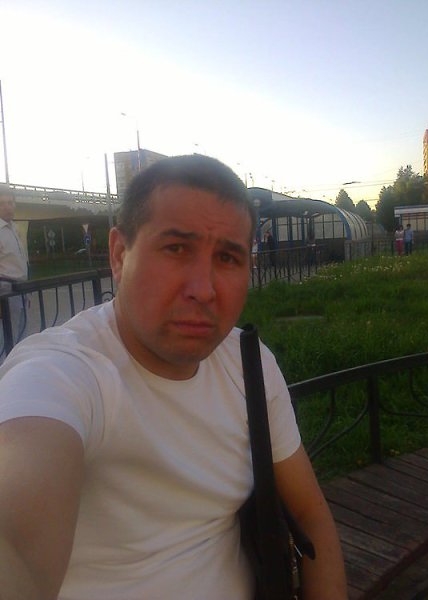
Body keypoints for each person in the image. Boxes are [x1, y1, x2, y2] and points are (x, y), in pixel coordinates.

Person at [0, 155, 347, 600]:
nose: (203, 289)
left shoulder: (248, 363)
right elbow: (16, 523)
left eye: (227, 257)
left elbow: (310, 513)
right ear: (119, 255)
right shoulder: (66, 370)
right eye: (177, 249)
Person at [0, 184, 28, 355]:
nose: (7, 207)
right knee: (5, 339)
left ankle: (18, 368)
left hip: (21, 290)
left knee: (21, 337)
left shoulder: (14, 229)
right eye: (2, 203)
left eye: (10, 203)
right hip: (5, 291)